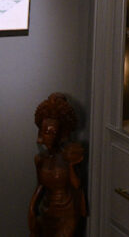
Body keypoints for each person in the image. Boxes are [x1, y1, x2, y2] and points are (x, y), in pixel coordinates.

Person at [28, 93, 87, 237]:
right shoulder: (40, 159)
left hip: (67, 212)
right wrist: (31, 208)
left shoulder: (69, 155)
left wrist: (72, 165)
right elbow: (40, 186)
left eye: (53, 132)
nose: (49, 135)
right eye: (45, 131)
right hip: (47, 210)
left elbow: (77, 185)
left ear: (61, 132)